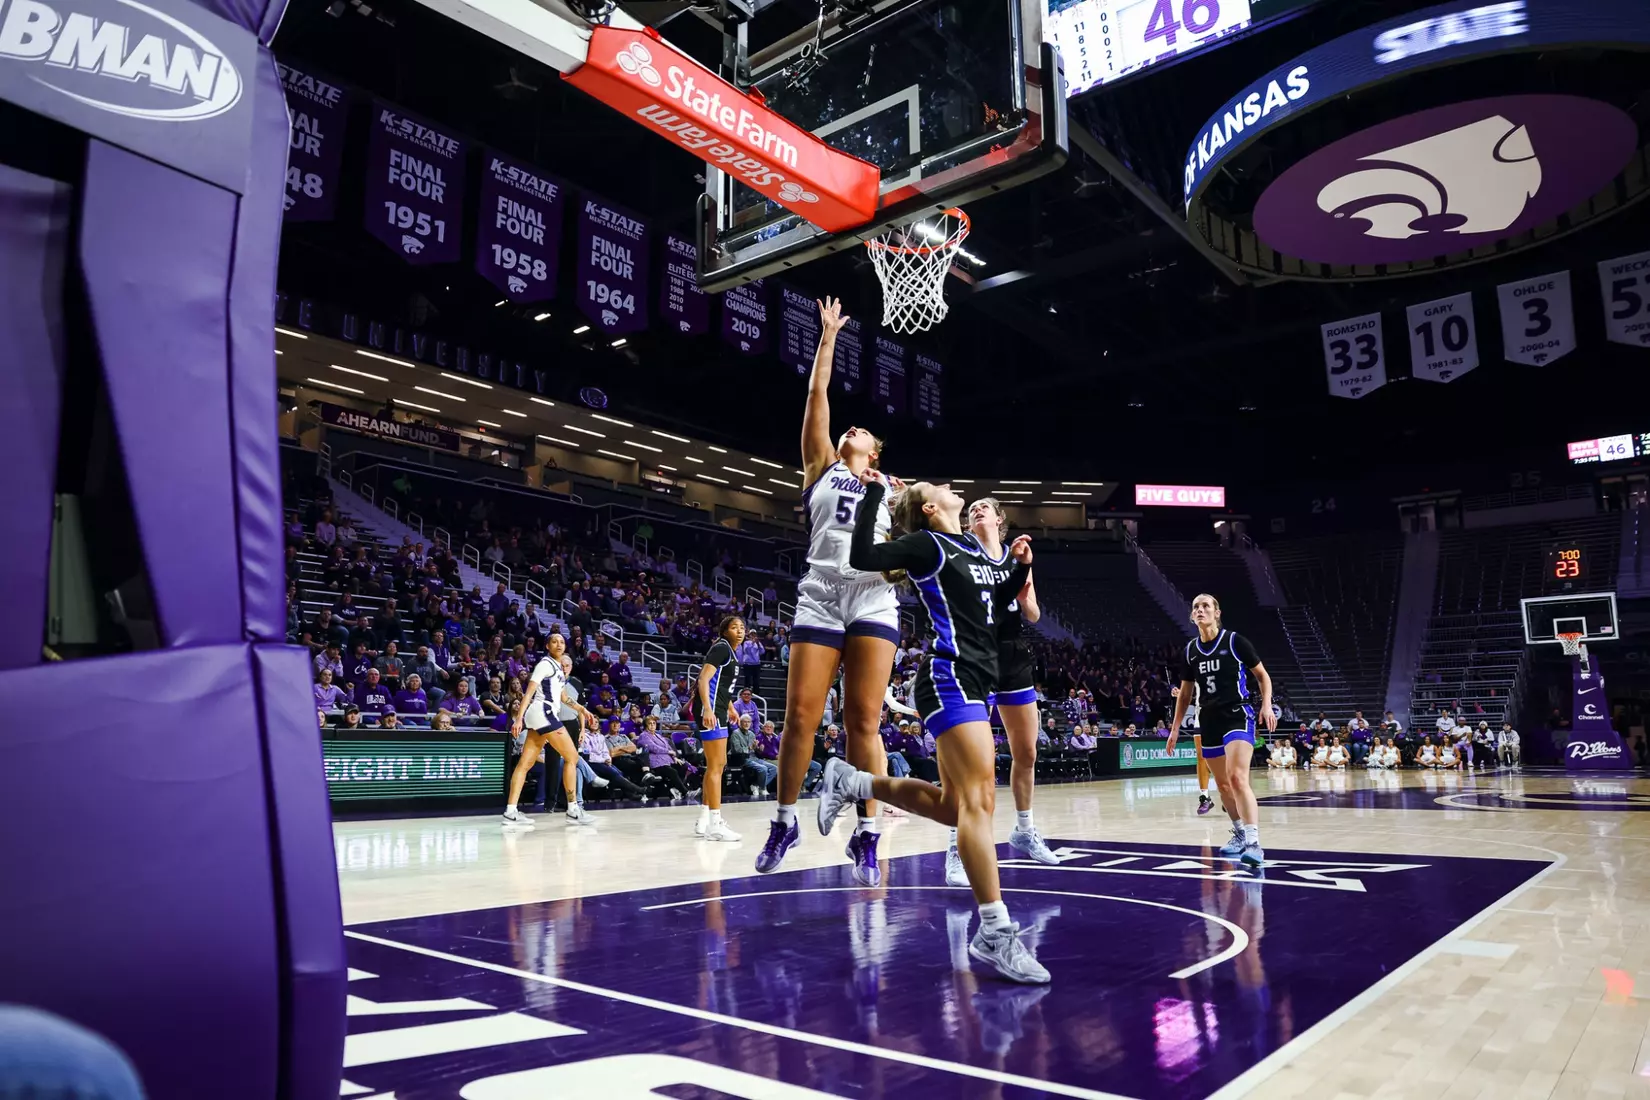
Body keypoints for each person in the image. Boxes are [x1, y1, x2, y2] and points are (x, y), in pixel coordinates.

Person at [815, 471, 1048, 983]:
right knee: (977, 804)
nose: (951, 488)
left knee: (952, 806)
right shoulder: (925, 546)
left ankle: (855, 782)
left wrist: (1017, 569)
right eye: (939, 487)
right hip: (950, 678)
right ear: (928, 507)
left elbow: (989, 600)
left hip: (978, 680)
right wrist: (876, 493)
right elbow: (863, 558)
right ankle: (994, 929)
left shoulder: (966, 547)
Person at [756, 297, 900, 885]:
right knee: (800, 719)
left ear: (874, 451)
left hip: (870, 595)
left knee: (864, 723)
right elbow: (817, 400)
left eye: (861, 430)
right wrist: (826, 338)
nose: (851, 426)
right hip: (819, 591)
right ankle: (785, 820)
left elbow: (931, 530)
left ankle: (867, 834)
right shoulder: (820, 465)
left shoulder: (894, 487)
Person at [943, 496, 1056, 888]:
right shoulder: (960, 551)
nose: (976, 511)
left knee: (1026, 751)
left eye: (984, 507)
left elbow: (1034, 614)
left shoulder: (1017, 558)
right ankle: (957, 846)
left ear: (999, 519)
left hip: (1013, 656)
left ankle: (1024, 829)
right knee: (972, 762)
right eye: (971, 508)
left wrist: (1026, 599)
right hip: (975, 655)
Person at [1165, 594, 1277, 870]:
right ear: (1192, 617)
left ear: (1217, 613)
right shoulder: (1191, 650)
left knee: (1238, 778)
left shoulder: (1235, 641)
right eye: (1196, 607)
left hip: (1237, 714)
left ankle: (1254, 843)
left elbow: (1262, 675)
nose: (1200, 610)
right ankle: (1239, 833)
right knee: (1223, 784)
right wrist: (1175, 727)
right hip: (1209, 718)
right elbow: (1186, 693)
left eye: (1206, 606)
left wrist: (1267, 705)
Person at [502, 634, 596, 827]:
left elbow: (563, 697)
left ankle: (510, 811)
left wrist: (582, 709)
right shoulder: (544, 664)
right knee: (572, 757)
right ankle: (573, 809)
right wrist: (518, 719)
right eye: (554, 641)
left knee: (525, 764)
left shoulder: (558, 669)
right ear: (547, 646)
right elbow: (529, 692)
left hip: (540, 716)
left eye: (562, 642)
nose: (559, 644)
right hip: (543, 712)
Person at [694, 615, 746, 842]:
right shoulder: (721, 648)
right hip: (711, 711)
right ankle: (716, 824)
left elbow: (721, 686)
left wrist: (731, 707)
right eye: (734, 627)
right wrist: (707, 708)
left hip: (720, 709)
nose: (740, 631)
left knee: (715, 765)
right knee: (717, 765)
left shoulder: (730, 652)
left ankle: (704, 818)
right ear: (725, 631)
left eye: (743, 627)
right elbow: (703, 679)